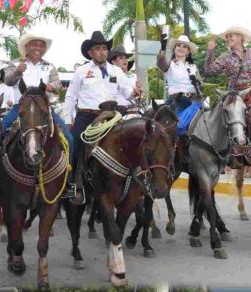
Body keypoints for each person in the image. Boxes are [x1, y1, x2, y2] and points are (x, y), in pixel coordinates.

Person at [63, 31, 139, 204]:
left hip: (112, 116)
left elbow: (127, 91)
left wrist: (134, 92)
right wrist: (68, 120)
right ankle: (73, 184)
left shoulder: (116, 71)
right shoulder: (82, 71)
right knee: (73, 143)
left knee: (130, 141)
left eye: (104, 48)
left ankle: (132, 182)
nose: (102, 52)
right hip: (86, 116)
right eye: (97, 49)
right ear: (90, 53)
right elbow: (71, 97)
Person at [204, 26, 251, 94]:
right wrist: (210, 51)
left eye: (230, 36)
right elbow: (209, 71)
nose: (228, 39)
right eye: (227, 37)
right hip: (235, 94)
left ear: (240, 37)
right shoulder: (225, 57)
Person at [157, 34, 203, 117]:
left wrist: (198, 82)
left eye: (184, 46)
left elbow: (201, 84)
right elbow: (161, 64)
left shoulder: (193, 66)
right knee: (178, 125)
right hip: (176, 101)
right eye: (178, 45)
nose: (181, 48)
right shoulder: (169, 64)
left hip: (194, 101)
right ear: (174, 49)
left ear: (188, 51)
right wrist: (163, 49)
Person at [108, 46, 139, 111]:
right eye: (121, 58)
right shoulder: (112, 75)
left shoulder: (133, 76)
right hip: (119, 110)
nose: (125, 60)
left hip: (135, 108)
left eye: (126, 58)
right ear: (113, 62)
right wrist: (132, 93)